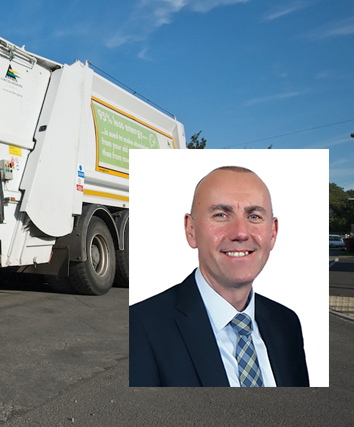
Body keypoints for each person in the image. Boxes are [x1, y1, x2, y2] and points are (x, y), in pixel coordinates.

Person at [129, 166, 309, 387]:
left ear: (272, 233)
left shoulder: (287, 324)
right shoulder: (141, 327)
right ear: (191, 230)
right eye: (221, 215)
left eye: (254, 216)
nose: (240, 233)